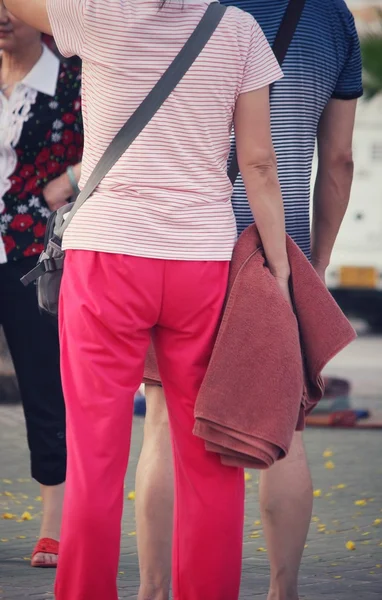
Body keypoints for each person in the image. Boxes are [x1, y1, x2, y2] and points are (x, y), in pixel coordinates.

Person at [6, 0, 291, 598]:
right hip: (201, 262)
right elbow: (259, 164)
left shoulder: (94, 14)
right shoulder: (238, 29)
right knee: (210, 456)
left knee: (96, 456)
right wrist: (281, 271)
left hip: (107, 254)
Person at [135, 1, 363, 600]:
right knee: (285, 426)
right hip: (272, 252)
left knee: (163, 421)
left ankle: (155, 590)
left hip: (186, 242)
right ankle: (282, 593)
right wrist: (311, 264)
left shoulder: (188, 6)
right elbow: (337, 161)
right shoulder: (333, 18)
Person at [0, 1, 82, 567]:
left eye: (14, 3)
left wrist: (70, 180)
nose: (3, 14)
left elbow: (120, 137)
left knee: (44, 385)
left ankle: (55, 522)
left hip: (35, 255)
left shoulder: (73, 78)